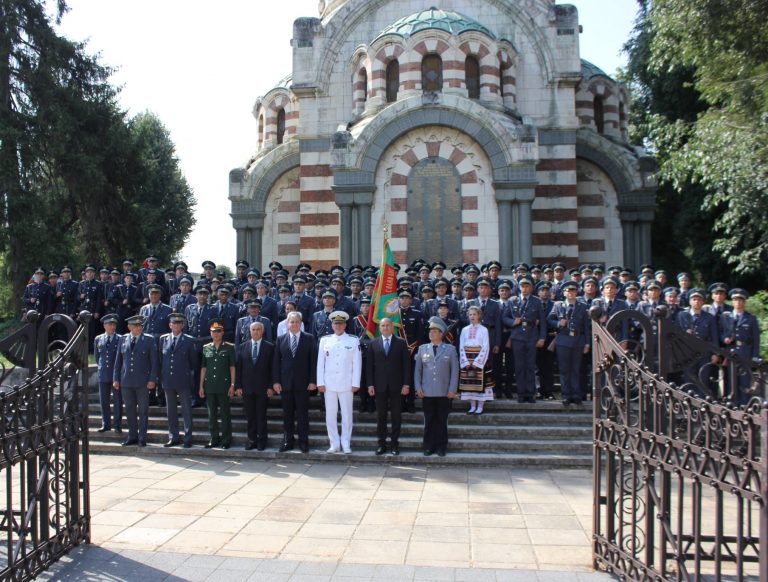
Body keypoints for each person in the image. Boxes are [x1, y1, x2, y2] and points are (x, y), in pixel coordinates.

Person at [316, 311, 362, 453]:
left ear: (345, 325)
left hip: (346, 383)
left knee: (347, 415)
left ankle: (346, 442)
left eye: (341, 323)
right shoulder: (325, 340)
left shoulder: (353, 340)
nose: (338, 326)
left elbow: (357, 363)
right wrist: (320, 382)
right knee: (330, 415)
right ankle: (334, 443)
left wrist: (356, 383)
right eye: (336, 323)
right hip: (329, 383)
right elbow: (320, 363)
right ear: (332, 325)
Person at [272, 311, 317, 453]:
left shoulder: (309, 339)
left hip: (304, 384)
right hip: (285, 384)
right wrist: (276, 381)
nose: (294, 324)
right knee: (287, 415)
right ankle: (288, 441)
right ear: (287, 324)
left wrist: (312, 380)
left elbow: (313, 362)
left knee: (303, 414)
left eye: (297, 322)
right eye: (292, 322)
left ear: (301, 324)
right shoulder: (280, 339)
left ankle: (304, 442)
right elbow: (276, 363)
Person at [415, 317, 459, 456]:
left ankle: (441, 447)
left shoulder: (450, 349)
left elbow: (455, 371)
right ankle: (428, 446)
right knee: (429, 421)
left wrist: (452, 390)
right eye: (430, 331)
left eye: (435, 331)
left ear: (441, 334)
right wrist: (418, 388)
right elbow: (418, 371)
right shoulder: (422, 349)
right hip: (427, 391)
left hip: (444, 391)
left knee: (441, 421)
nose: (431, 333)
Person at [366, 317, 411, 456]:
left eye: (387, 325)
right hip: (379, 386)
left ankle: (394, 444)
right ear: (379, 328)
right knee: (381, 416)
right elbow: (369, 367)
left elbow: (406, 366)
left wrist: (406, 384)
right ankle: (381, 444)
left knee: (396, 416)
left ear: (392, 327)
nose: (385, 328)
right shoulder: (373, 343)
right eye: (383, 326)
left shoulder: (401, 343)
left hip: (397, 386)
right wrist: (370, 384)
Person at [113, 314, 158, 446]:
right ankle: (132, 435)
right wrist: (116, 378)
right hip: (126, 380)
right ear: (129, 327)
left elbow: (154, 362)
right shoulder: (123, 339)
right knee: (130, 409)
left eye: (140, 325)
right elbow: (118, 361)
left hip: (142, 381)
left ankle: (142, 437)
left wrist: (152, 379)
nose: (139, 328)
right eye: (136, 325)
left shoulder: (149, 340)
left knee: (143, 410)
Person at [547, 281, 591, 406]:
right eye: (568, 291)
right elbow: (549, 319)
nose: (570, 293)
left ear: (576, 292)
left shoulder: (582, 306)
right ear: (564, 293)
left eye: (573, 291)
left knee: (576, 369)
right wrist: (557, 323)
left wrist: (587, 343)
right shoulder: (558, 305)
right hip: (563, 340)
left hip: (578, 340)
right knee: (564, 369)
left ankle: (576, 395)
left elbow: (586, 327)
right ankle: (566, 395)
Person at [503, 277, 545, 403]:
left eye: (527, 286)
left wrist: (542, 337)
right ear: (519, 287)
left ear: (531, 288)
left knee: (531, 366)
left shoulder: (537, 301)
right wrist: (512, 322)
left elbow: (542, 321)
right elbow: (504, 317)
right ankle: (521, 393)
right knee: (519, 366)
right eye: (523, 286)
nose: (525, 288)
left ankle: (530, 393)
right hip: (517, 337)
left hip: (532, 336)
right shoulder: (512, 300)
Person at [158, 313, 197, 448]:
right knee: (171, 411)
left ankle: (187, 437)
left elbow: (193, 363)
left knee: (186, 410)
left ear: (182, 325)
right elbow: (160, 360)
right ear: (170, 325)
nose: (176, 325)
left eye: (179, 323)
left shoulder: (189, 340)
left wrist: (189, 378)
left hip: (183, 380)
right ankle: (173, 436)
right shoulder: (163, 339)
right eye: (173, 323)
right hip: (168, 379)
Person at [236, 321, 275, 451]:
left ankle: (262, 441)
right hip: (247, 388)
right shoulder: (242, 346)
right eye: (253, 330)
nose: (256, 332)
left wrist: (271, 386)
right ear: (250, 331)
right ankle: (252, 440)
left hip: (263, 388)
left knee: (261, 416)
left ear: (262, 331)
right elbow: (239, 368)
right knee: (250, 416)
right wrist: (238, 386)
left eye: (258, 329)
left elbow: (272, 369)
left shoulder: (269, 347)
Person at [199, 319, 236, 449]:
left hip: (223, 385)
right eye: (214, 331)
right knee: (212, 415)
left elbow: (232, 367)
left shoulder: (229, 347)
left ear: (223, 332)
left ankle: (226, 440)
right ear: (210, 333)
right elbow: (203, 368)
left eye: (218, 331)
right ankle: (213, 439)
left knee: (225, 414)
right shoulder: (206, 347)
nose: (216, 334)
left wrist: (232, 385)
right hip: (210, 386)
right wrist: (201, 386)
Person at [458, 305, 494, 414]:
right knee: (470, 384)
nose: (472, 316)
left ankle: (480, 407)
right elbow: (461, 345)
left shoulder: (484, 330)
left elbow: (485, 346)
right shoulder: (464, 330)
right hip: (467, 359)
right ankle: (472, 406)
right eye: (470, 314)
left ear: (479, 316)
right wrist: (465, 361)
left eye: (474, 314)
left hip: (480, 360)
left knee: (480, 383)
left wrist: (478, 362)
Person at [94, 313, 122, 433]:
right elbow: (97, 357)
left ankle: (117, 425)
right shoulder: (98, 339)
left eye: (114, 324)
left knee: (117, 401)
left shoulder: (120, 338)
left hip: (116, 374)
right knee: (104, 401)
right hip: (103, 373)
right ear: (104, 326)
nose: (112, 327)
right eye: (110, 324)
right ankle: (106, 424)